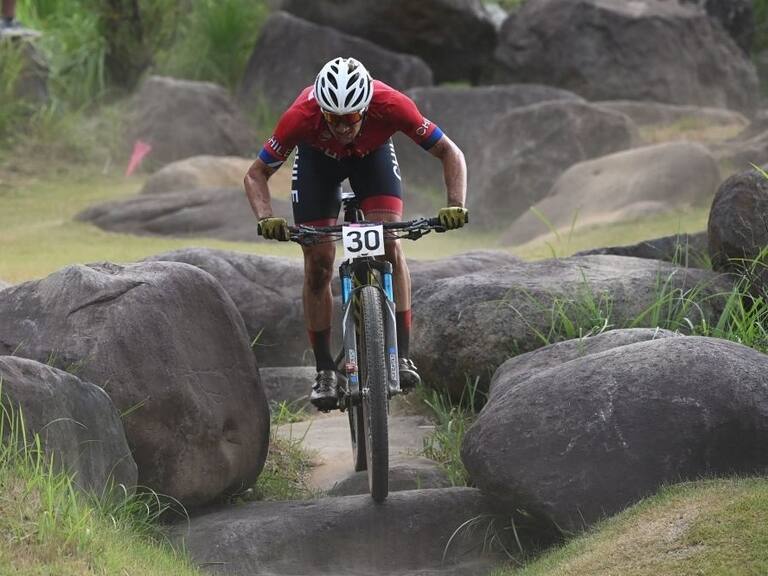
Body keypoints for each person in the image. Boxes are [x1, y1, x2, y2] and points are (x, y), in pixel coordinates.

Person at [244, 56, 467, 411]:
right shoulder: (301, 116)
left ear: (366, 107)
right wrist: (266, 216)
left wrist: (455, 204)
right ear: (321, 109)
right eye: (333, 119)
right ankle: (325, 372)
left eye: (350, 119)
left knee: (388, 245)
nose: (342, 127)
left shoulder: (391, 104)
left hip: (372, 159)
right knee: (318, 263)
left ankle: (402, 356)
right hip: (317, 165)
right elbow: (256, 174)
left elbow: (448, 152)